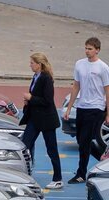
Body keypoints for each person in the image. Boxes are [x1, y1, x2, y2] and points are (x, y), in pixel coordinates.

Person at [64, 37, 109, 184]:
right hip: (82, 107)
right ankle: (105, 159)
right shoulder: (79, 64)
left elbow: (107, 91)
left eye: (90, 49)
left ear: (97, 50)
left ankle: (81, 173)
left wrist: (108, 113)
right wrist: (69, 108)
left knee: (84, 141)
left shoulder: (103, 67)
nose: (87, 51)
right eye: (86, 48)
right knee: (81, 140)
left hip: (96, 107)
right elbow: (76, 86)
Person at [19, 52, 63, 189]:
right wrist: (28, 101)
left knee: (52, 149)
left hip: (46, 120)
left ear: (39, 64)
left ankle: (58, 178)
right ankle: (26, 174)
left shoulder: (46, 78)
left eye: (32, 63)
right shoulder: (36, 76)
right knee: (25, 145)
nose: (30, 65)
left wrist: (31, 98)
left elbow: (47, 100)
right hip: (34, 118)